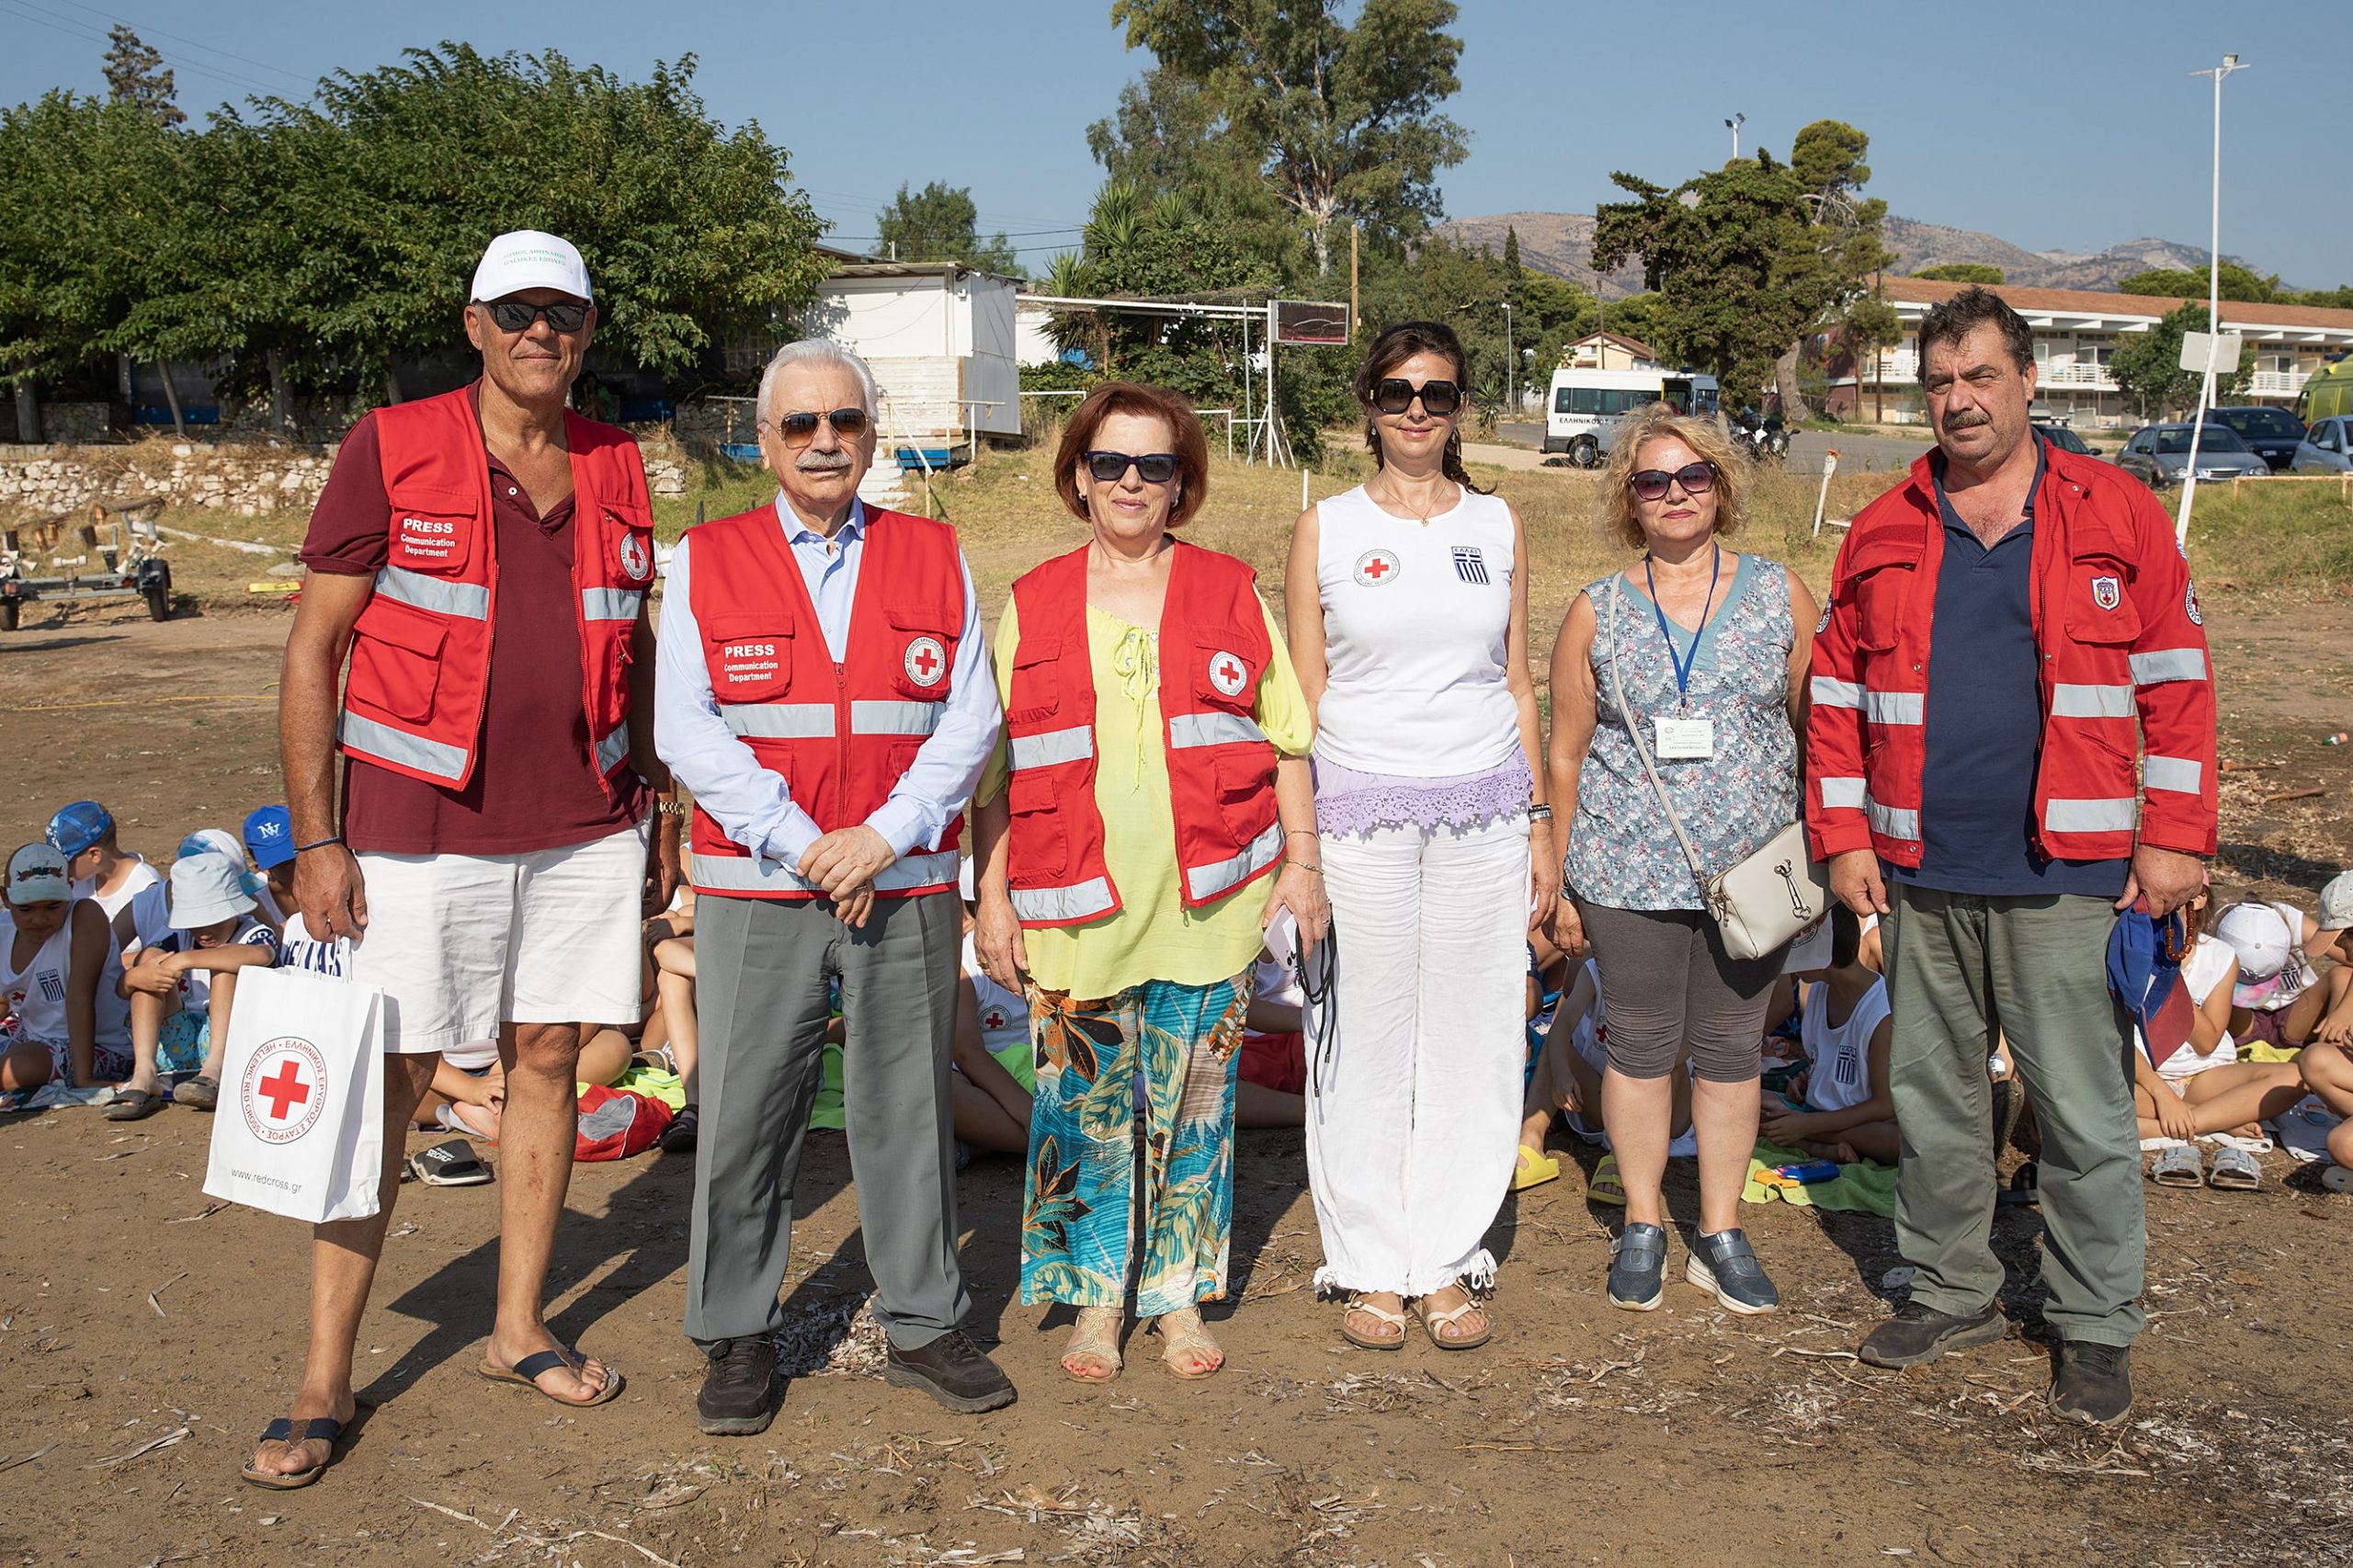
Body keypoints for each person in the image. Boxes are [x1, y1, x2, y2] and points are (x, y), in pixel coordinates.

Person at [248, 230, 676, 1489]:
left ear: (588, 331)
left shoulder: (615, 461)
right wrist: (318, 838)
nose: (544, 331)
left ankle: (516, 1325)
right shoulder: (390, 444)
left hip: (589, 824)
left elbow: (633, 644)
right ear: (476, 324)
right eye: (519, 310)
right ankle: (324, 1377)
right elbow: (312, 655)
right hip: (414, 828)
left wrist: (654, 803)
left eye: (566, 313)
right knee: (389, 1085)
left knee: (550, 1057)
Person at [1809, 288, 2216, 1426]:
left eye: (1979, 376)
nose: (1958, 400)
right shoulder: (1884, 525)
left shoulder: (2116, 510)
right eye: (1939, 381)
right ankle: (1950, 1288)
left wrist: (2174, 839)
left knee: (2081, 1108)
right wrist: (1843, 839)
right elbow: (1835, 698)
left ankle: (2093, 1322)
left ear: (2027, 381)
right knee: (1934, 1099)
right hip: (1920, 868)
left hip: (2068, 870)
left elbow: (2178, 688)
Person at [654, 337, 1013, 1434]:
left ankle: (921, 1320)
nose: (824, 441)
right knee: (744, 1116)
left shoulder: (931, 550)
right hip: (760, 888)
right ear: (761, 440)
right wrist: (807, 842)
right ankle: (736, 1332)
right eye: (800, 424)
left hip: (901, 882)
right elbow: (686, 727)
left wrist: (885, 834)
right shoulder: (702, 558)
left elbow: (970, 716)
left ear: (871, 432)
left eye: (844, 422)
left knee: (907, 1107)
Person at [972, 380, 1326, 1384]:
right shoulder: (1031, 600)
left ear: (1183, 482)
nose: (1132, 482)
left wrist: (1301, 864)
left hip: (1208, 906)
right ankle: (1093, 1302)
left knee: (1198, 1108)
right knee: (1079, 1109)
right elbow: (991, 774)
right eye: (1111, 463)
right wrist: (991, 896)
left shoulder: (1228, 590)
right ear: (1078, 475)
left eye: (1155, 465)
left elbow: (1285, 739)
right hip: (1072, 907)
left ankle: (1175, 1297)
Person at [1283, 322, 1553, 1353]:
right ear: (1368, 403)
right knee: (1361, 1035)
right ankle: (1366, 1264)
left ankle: (1442, 1258)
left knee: (1475, 1035)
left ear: (1459, 408)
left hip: (1485, 813)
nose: (1414, 410)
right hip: (1360, 813)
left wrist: (1536, 823)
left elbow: (1517, 683)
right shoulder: (1328, 527)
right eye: (1397, 391)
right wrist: (1298, 848)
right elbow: (1300, 700)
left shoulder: (1500, 522)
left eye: (1436, 394)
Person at [1550, 402, 1818, 1318]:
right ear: (1630, 499)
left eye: (1691, 476)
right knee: (1639, 1048)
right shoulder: (1596, 609)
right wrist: (1558, 874)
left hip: (1750, 874)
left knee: (1731, 1051)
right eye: (1652, 480)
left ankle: (1721, 1225)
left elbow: (1811, 727)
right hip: (1627, 872)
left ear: (1720, 487)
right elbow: (1566, 751)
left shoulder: (1780, 594)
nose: (1674, 494)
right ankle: (1641, 1222)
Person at [2135, 890, 2304, 1188]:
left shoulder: (2220, 955)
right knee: (2077, 1103)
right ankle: (2216, 1120)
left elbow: (2207, 1041)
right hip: (2142, 1080)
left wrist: (2169, 976)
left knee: (2294, 1077)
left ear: (2199, 899)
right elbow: (2115, 1038)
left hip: (2206, 1077)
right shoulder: (2129, 950)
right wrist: (2163, 1095)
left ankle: (2179, 1125)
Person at [117, 853, 280, 1118]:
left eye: (213, 920)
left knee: (227, 963)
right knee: (149, 959)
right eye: (195, 924)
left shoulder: (254, 933)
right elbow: (122, 990)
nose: (204, 932)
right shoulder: (177, 938)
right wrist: (133, 978)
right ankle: (144, 1073)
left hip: (232, 1040)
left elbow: (262, 955)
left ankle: (215, 1069)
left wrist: (185, 959)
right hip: (181, 1040)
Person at [1762, 907, 1898, 1166]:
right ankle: (1820, 1144)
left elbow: (1883, 1106)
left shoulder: (1881, 1011)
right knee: (1750, 1103)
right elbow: (1834, 1068)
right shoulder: (1817, 993)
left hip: (1866, 1122)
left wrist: (1809, 1125)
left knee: (1896, 1140)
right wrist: (1807, 1082)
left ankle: (1811, 1139)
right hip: (1819, 1112)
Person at [2, 843, 134, 1095]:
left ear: (70, 892)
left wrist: (84, 1079)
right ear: (5, 898)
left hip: (98, 1047)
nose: (39, 919)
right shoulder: (2, 932)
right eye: (26, 909)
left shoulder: (84, 916)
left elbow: (79, 999)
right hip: (29, 1034)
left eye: (52, 907)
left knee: (16, 1069)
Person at [2212, 900, 2348, 1053]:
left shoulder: (2290, 920)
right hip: (2240, 1018)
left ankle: (2335, 1055)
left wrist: (2344, 1012)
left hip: (2296, 1011)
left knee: (2343, 975)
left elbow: (2348, 958)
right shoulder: (2210, 932)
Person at [49, 801, 167, 952]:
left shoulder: (146, 886)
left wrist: (92, 963)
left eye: (66, 862)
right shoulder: (80, 881)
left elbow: (160, 951)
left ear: (95, 855)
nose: (61, 869)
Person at [244, 806, 300, 921]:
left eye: (298, 856)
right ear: (262, 868)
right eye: (286, 863)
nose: (297, 866)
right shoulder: (253, 902)